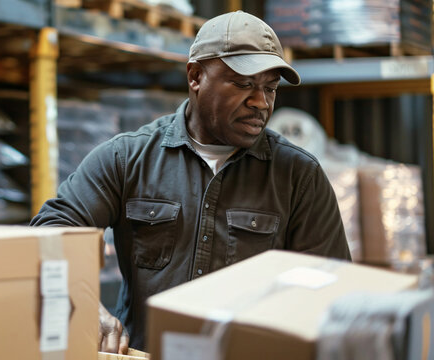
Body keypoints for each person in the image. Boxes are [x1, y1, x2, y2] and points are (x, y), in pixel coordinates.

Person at [31, 10, 352, 353]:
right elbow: (48, 233)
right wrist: (85, 305)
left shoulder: (297, 176)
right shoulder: (127, 159)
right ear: (196, 76)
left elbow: (332, 290)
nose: (261, 102)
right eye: (244, 84)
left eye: (269, 88)